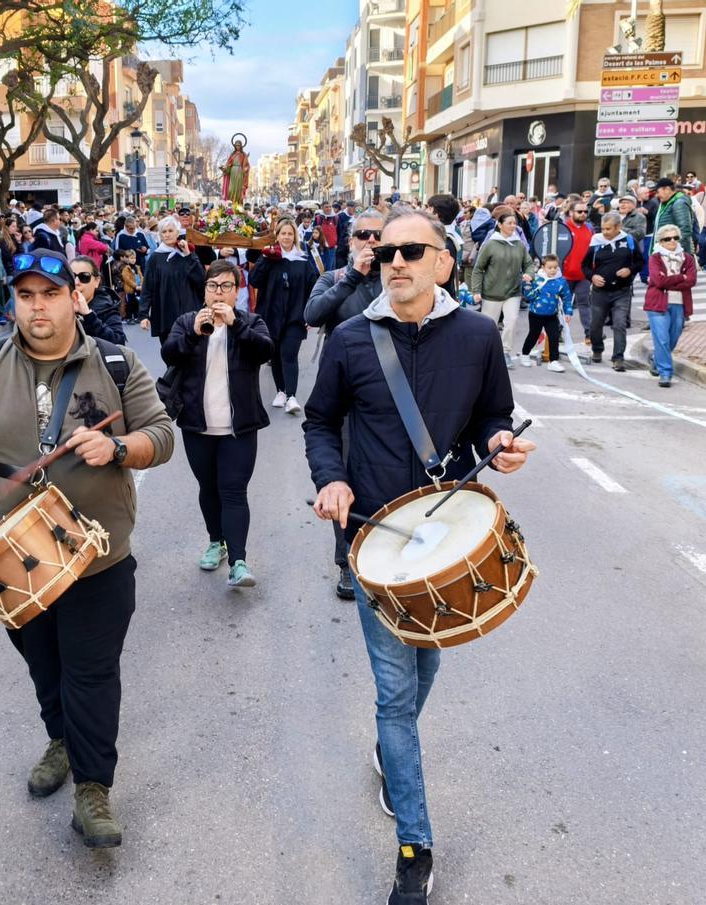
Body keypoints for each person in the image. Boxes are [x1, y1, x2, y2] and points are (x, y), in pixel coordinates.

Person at [304, 207, 533, 905]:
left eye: (411, 250)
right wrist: (331, 478)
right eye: (385, 250)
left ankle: (389, 749)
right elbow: (319, 420)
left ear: (443, 262)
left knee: (426, 660)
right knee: (396, 694)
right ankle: (415, 846)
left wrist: (498, 444)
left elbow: (493, 413)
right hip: (374, 535)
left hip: (447, 531)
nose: (395, 260)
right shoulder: (352, 337)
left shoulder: (477, 335)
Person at [0, 248, 174, 850]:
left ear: (74, 298)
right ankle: (61, 739)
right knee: (43, 662)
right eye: (26, 295)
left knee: (90, 670)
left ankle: (93, 788)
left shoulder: (116, 364)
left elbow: (162, 435)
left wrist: (119, 449)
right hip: (9, 557)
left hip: (96, 554)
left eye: (51, 294)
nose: (38, 307)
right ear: (13, 301)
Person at [160, 258, 273, 588]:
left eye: (226, 286)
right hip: (197, 425)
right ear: (204, 290)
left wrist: (236, 325)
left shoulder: (251, 322)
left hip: (239, 428)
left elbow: (265, 351)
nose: (218, 292)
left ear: (237, 292)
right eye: (213, 286)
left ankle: (239, 562)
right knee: (208, 488)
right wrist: (193, 333)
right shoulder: (187, 321)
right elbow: (169, 354)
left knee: (234, 491)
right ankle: (216, 542)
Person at [304, 210, 385, 601]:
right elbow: (312, 314)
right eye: (363, 234)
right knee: (344, 477)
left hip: (389, 392)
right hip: (343, 394)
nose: (370, 241)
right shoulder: (334, 277)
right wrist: (353, 275)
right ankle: (347, 560)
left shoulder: (395, 276)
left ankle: (386, 553)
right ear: (351, 240)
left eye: (378, 235)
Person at [250, 217, 317, 416]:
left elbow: (313, 288)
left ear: (295, 236)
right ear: (277, 236)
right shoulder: (270, 258)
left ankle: (291, 396)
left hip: (295, 317)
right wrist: (265, 258)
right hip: (271, 315)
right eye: (283, 233)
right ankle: (280, 391)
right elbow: (254, 280)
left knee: (288, 354)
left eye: (290, 233)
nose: (286, 237)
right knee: (276, 354)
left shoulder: (303, 261)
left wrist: (311, 315)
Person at [469, 210, 536, 368]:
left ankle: (505, 352)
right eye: (509, 223)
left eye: (515, 223)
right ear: (499, 225)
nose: (513, 226)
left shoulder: (519, 244)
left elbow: (528, 263)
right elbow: (478, 269)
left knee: (511, 321)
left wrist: (529, 274)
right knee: (488, 326)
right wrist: (476, 290)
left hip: (513, 292)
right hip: (491, 293)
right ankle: (484, 353)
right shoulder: (490, 244)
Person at [583, 211, 644, 371]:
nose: (604, 232)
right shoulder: (596, 241)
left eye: (608, 229)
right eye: (603, 228)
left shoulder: (629, 240)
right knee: (596, 324)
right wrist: (592, 277)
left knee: (619, 324)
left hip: (622, 291)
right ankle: (597, 349)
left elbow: (640, 262)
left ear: (618, 227)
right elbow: (585, 266)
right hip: (600, 292)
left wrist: (630, 270)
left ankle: (618, 358)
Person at [139, 215, 206, 346]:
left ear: (177, 232)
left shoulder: (187, 253)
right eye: (164, 231)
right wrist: (144, 315)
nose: (167, 234)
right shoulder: (155, 258)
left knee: (193, 352)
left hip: (190, 312)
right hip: (166, 314)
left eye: (170, 231)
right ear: (160, 235)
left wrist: (188, 255)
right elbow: (147, 288)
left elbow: (200, 280)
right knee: (170, 352)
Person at [645, 224, 698, 387]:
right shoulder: (655, 258)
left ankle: (656, 359)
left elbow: (691, 280)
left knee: (673, 338)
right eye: (668, 239)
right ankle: (665, 373)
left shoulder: (687, 258)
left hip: (680, 304)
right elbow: (658, 281)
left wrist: (671, 279)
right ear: (660, 241)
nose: (673, 241)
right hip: (657, 304)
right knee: (662, 339)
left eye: (676, 237)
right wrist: (681, 277)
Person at [520, 254, 573, 372]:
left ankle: (553, 361)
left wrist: (568, 311)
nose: (553, 270)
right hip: (536, 314)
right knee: (533, 335)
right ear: (543, 267)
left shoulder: (561, 281)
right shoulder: (536, 279)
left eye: (555, 267)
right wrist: (527, 284)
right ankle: (525, 355)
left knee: (554, 337)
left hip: (552, 315)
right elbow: (529, 297)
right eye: (550, 268)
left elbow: (567, 297)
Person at [69, 255, 127, 345]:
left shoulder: (106, 308)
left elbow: (118, 342)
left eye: (84, 277)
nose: (76, 282)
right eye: (72, 277)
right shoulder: (59, 306)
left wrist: (89, 316)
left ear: (96, 281)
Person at [560, 200, 594, 339]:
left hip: (583, 276)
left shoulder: (589, 228)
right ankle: (557, 333)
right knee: (561, 306)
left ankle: (590, 333)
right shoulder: (563, 227)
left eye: (586, 211)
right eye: (580, 211)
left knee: (584, 304)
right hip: (565, 276)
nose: (583, 214)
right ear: (571, 213)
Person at [425, 194, 461, 300]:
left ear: (436, 214)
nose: (425, 211)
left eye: (429, 208)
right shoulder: (437, 235)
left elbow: (441, 278)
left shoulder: (447, 241)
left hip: (440, 300)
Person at [652, 178, 696, 258]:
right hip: (667, 251)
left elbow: (684, 230)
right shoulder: (667, 203)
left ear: (667, 189)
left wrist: (675, 253)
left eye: (658, 192)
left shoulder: (679, 204)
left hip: (675, 255)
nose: (656, 195)